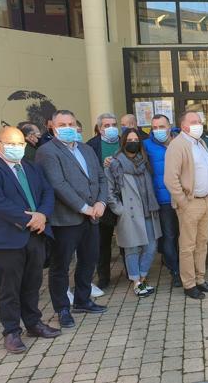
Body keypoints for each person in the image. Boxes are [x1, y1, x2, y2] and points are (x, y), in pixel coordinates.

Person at [0, 127, 61, 353]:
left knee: (32, 284)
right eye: (11, 143)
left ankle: (33, 323)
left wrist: (42, 215)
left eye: (20, 143)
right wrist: (29, 219)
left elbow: (47, 192)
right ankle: (11, 331)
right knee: (9, 288)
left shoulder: (31, 167)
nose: (17, 148)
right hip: (7, 239)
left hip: (36, 235)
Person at [35, 110, 108, 329]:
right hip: (66, 219)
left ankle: (83, 300)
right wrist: (85, 207)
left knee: (88, 260)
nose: (68, 127)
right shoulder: (47, 152)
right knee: (61, 266)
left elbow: (101, 178)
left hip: (92, 216)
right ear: (52, 126)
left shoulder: (85, 148)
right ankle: (62, 308)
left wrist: (101, 203)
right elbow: (58, 185)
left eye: (71, 123)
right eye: (63, 124)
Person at [164, 111, 208, 300]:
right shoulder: (177, 145)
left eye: (200, 121)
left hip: (205, 201)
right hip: (190, 202)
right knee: (188, 246)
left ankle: (200, 279)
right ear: (183, 125)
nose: (199, 124)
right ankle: (189, 284)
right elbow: (171, 178)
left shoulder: (200, 143)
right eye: (194, 121)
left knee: (202, 243)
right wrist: (183, 202)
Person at [106, 129, 162, 297]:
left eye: (136, 139)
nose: (133, 142)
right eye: (129, 139)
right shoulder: (114, 163)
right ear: (123, 142)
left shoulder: (144, 162)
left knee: (151, 247)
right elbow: (109, 192)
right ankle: (136, 281)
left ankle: (143, 276)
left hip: (148, 209)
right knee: (132, 249)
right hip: (129, 213)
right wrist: (119, 210)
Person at [143, 114, 181, 287]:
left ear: (169, 126)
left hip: (183, 197)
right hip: (164, 200)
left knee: (185, 236)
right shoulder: (147, 145)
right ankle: (175, 271)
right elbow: (127, 154)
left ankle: (189, 268)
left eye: (162, 126)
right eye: (155, 127)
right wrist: (110, 159)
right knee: (169, 236)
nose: (158, 130)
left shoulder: (181, 140)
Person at [86, 113, 120, 291]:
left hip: (123, 198)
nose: (111, 128)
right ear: (99, 128)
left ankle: (132, 273)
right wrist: (102, 165)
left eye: (114, 124)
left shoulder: (125, 142)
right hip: (102, 200)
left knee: (126, 239)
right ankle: (104, 276)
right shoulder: (91, 146)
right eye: (106, 125)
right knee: (103, 241)